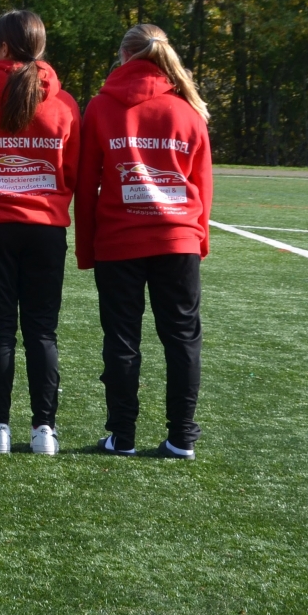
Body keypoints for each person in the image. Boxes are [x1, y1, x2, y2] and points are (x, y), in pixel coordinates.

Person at [75, 24, 213, 459]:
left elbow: (85, 186)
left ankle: (122, 436)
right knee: (182, 340)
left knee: (121, 340)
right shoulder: (188, 110)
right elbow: (203, 185)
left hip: (119, 243)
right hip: (178, 241)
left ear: (124, 55)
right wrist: (198, 240)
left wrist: (86, 249)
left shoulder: (101, 107)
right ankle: (182, 438)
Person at [0, 10, 81, 456]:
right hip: (46, 228)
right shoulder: (64, 104)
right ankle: (44, 430)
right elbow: (71, 172)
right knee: (42, 331)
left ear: (4, 47)